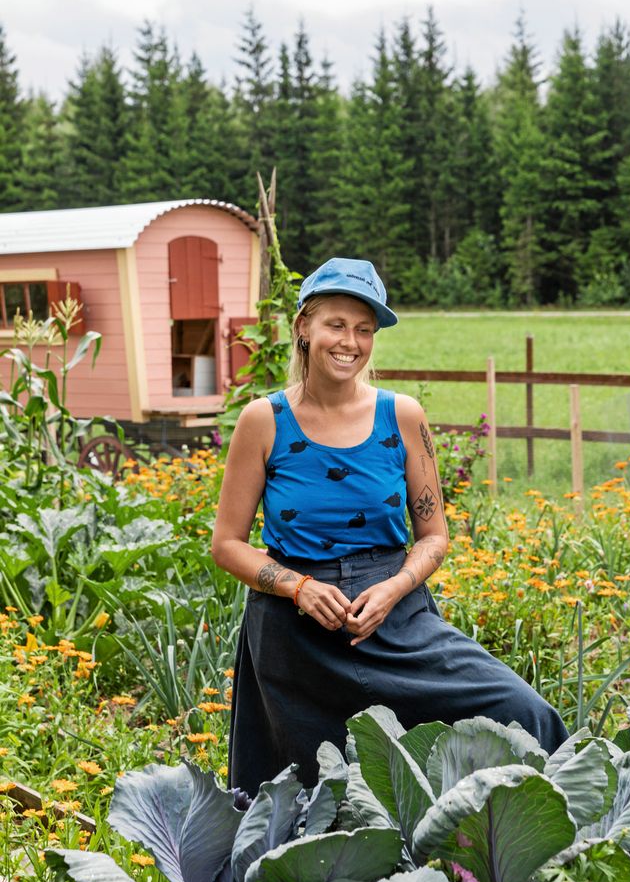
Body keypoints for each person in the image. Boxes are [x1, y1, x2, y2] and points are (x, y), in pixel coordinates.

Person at [211, 258, 568, 797]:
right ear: (304, 326)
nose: (350, 342)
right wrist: (299, 587)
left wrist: (396, 588)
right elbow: (227, 544)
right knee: (304, 801)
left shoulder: (402, 415)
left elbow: (434, 536)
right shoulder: (265, 420)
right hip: (294, 634)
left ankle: (574, 846)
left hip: (395, 618)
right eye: (336, 324)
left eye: (364, 330)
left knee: (522, 712)